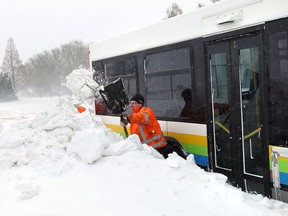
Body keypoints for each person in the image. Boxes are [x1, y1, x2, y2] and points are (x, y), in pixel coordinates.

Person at [120, 93, 186, 159]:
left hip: (158, 149)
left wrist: (128, 118)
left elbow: (141, 117)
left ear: (140, 104)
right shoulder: (134, 116)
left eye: (134, 103)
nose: (131, 105)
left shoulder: (147, 112)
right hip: (147, 150)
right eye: (130, 103)